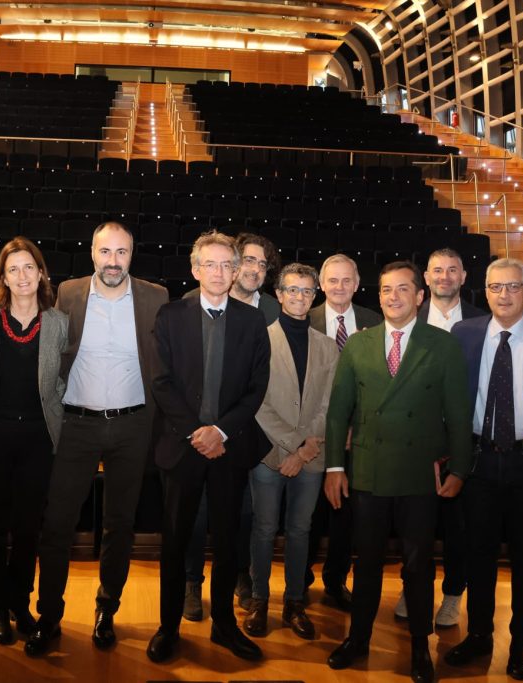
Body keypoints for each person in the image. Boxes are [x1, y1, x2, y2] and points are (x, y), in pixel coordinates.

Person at [323, 260, 472, 682]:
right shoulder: (358, 344)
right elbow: (338, 415)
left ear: (419, 296)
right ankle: (359, 639)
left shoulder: (441, 345)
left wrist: (460, 468)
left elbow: (458, 415)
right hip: (368, 470)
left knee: (419, 566)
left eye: (403, 289)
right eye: (386, 289)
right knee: (366, 561)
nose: (393, 297)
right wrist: (336, 465)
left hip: (418, 476)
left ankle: (420, 648)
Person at [27, 221, 168, 655]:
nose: (113, 261)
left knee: (120, 525)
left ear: (132, 254)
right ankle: (48, 615)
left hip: (132, 425)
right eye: (105, 252)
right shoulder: (66, 293)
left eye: (121, 252)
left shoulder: (155, 296)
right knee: (57, 525)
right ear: (92, 253)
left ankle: (107, 609)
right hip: (76, 425)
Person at [147, 230, 271, 664]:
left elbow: (257, 388)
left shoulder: (253, 321)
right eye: (210, 264)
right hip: (182, 450)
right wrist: (197, 433)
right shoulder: (169, 315)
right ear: (195, 269)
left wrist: (220, 432)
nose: (219, 273)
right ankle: (168, 626)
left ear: (236, 271)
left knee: (227, 542)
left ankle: (224, 626)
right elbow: (161, 383)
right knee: (177, 541)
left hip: (229, 449)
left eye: (227, 265)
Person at [446, 258, 523, 680]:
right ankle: (479, 634)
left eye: (513, 287)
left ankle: (520, 642)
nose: (504, 295)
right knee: (477, 554)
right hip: (479, 461)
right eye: (496, 287)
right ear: (485, 291)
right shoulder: (464, 333)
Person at [0, 237, 68, 645]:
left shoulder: (59, 322)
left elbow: (62, 379)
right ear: (2, 277)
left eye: (29, 267)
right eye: (13, 269)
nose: (22, 276)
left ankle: (20, 600)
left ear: (41, 272)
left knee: (27, 529)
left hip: (39, 438)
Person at [182, 231, 279, 620]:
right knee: (198, 513)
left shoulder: (272, 310)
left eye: (261, 263)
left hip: (251, 432)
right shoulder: (190, 305)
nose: (254, 269)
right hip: (199, 434)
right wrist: (205, 430)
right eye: (248, 261)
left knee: (243, 514)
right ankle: (192, 582)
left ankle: (239, 575)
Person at [245, 263, 338, 640]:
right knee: (265, 529)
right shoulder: (260, 340)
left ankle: (295, 603)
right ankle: (259, 600)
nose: (300, 297)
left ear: (314, 296)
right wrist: (292, 445)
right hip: (270, 454)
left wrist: (304, 449)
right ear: (279, 295)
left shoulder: (328, 347)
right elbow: (256, 402)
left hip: (312, 455)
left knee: (300, 531)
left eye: (307, 291)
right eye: (292, 290)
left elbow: (330, 405)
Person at [397, 248, 488, 626]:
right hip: (415, 441)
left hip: (463, 439)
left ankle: (452, 595)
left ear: (465, 277)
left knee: (458, 528)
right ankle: (411, 587)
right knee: (414, 525)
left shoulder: (484, 323)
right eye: (437, 270)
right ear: (426, 280)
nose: (445, 276)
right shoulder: (405, 320)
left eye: (453, 270)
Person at [304, 253, 381, 611]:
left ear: (357, 282)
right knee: (307, 514)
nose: (339, 287)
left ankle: (336, 581)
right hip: (312, 435)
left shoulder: (374, 321)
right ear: (321, 284)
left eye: (346, 280)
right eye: (332, 280)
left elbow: (382, 382)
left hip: (358, 436)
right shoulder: (304, 317)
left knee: (345, 516)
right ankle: (299, 581)